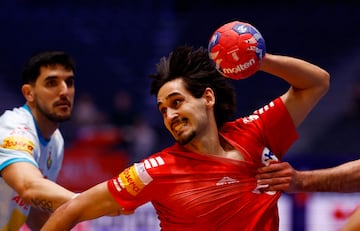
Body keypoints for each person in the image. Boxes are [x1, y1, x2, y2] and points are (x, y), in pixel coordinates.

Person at [41, 44, 330, 231]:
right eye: (163, 110)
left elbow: (315, 83)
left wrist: (259, 60)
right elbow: (73, 208)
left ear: (207, 97)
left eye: (177, 103)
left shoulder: (255, 131)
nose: (169, 116)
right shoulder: (155, 171)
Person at [0, 51, 78, 230]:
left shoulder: (56, 140)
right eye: (52, 83)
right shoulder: (14, 127)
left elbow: (35, 210)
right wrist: (93, 202)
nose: (64, 91)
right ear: (29, 93)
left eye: (70, 82)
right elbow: (29, 188)